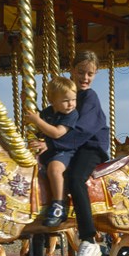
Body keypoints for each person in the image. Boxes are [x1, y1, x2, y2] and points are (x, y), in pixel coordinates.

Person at [65, 50, 110, 256]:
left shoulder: (90, 97)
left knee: (75, 178)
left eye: (90, 74)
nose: (85, 78)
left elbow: (82, 130)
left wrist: (54, 143)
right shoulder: (68, 95)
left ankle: (89, 239)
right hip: (72, 145)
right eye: (81, 72)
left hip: (90, 146)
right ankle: (38, 248)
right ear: (72, 70)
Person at [24, 77, 79, 227]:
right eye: (66, 100)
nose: (71, 104)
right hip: (48, 152)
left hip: (65, 152)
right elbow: (39, 129)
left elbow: (56, 133)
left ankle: (59, 205)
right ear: (52, 100)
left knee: (54, 169)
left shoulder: (71, 115)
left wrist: (37, 121)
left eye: (73, 99)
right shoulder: (47, 113)